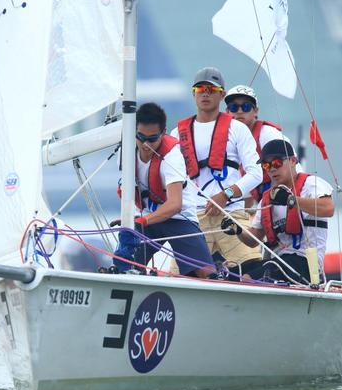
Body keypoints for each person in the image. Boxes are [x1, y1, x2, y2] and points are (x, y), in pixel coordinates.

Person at [170, 67, 263, 274]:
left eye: (212, 89)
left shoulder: (237, 129)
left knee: (255, 270)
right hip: (193, 217)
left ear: (222, 94)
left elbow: (257, 173)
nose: (205, 93)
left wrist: (225, 195)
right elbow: (170, 178)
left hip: (230, 214)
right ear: (193, 93)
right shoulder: (177, 133)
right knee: (176, 277)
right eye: (200, 88)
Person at [112, 102, 214, 277]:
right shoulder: (126, 151)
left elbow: (175, 204)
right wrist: (128, 218)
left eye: (152, 139)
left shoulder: (172, 156)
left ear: (163, 133)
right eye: (140, 137)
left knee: (204, 273)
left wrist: (141, 222)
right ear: (133, 133)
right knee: (124, 264)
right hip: (146, 217)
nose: (145, 145)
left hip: (178, 219)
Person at [222, 139, 334, 284]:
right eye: (266, 165)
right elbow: (253, 239)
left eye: (276, 163)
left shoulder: (311, 184)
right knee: (234, 274)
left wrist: (292, 200)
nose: (272, 169)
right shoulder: (267, 198)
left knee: (249, 278)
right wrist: (237, 230)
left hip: (305, 262)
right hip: (278, 261)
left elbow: (328, 208)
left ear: (293, 161)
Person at [224, 84, 301, 206]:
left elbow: (295, 168)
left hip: (283, 198)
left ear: (255, 111)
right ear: (227, 112)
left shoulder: (268, 134)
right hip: (259, 200)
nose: (239, 111)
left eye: (246, 106)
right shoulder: (230, 140)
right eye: (233, 107)